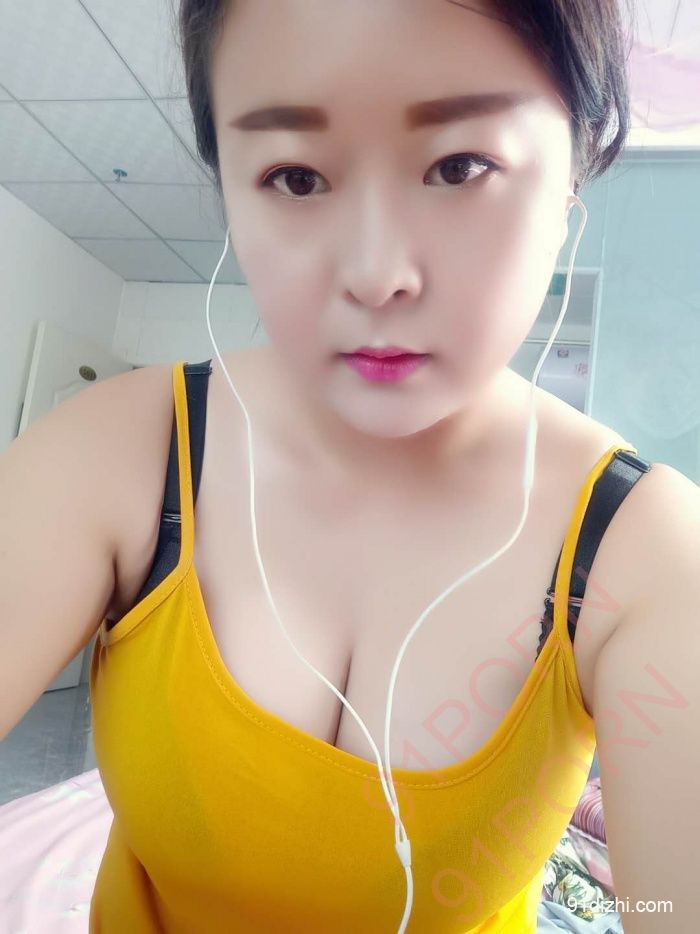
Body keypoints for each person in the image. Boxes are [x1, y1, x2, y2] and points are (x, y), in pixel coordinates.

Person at [4, 1, 695, 932]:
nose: (375, 274)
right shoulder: (119, 453)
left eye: (460, 165)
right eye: (295, 176)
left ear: (571, 181)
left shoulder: (646, 554)